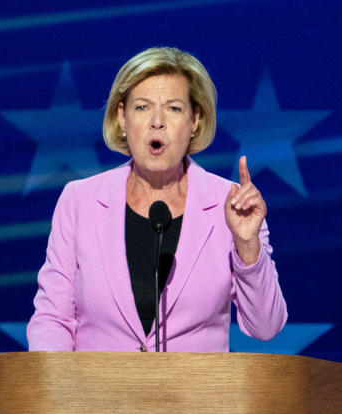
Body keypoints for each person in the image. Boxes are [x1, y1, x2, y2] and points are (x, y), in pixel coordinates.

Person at [27, 47, 287, 352]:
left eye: (174, 108)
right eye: (142, 107)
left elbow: (266, 326)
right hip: (97, 397)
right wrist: (56, 391)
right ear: (122, 118)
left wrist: (246, 245)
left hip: (195, 397)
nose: (157, 121)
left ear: (195, 120)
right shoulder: (80, 200)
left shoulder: (232, 206)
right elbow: (52, 319)